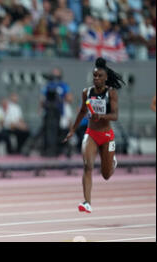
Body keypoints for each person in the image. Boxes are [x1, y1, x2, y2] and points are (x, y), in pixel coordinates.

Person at [64, 57, 124, 213]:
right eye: (94, 76)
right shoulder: (87, 92)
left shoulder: (111, 93)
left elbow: (115, 115)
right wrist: (72, 129)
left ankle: (112, 162)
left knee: (106, 175)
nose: (96, 79)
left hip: (106, 136)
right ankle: (87, 202)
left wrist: (101, 116)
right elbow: (82, 111)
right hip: (91, 133)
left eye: (99, 76)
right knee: (87, 166)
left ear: (106, 78)